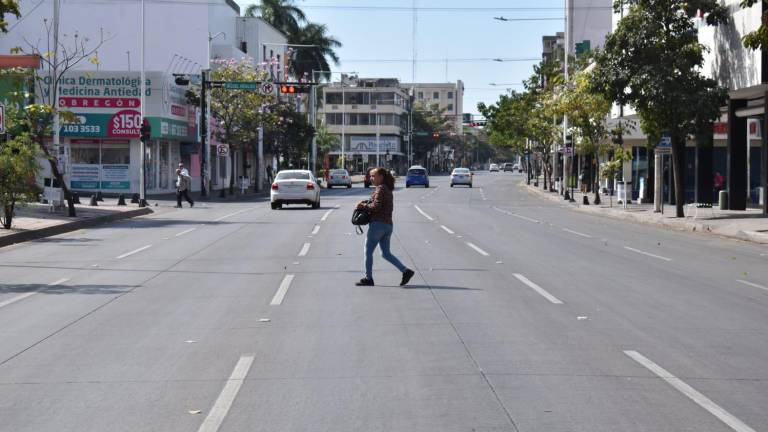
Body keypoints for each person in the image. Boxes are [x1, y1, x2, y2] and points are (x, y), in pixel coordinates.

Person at [355, 167, 415, 287]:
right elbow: (379, 203)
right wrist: (367, 202)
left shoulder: (381, 188)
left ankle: (369, 278)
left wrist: (363, 206)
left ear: (381, 177)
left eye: (374, 176)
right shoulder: (387, 189)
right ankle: (406, 271)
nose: (371, 178)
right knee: (386, 253)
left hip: (377, 225)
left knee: (368, 252)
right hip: (387, 226)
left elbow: (376, 207)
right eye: (370, 176)